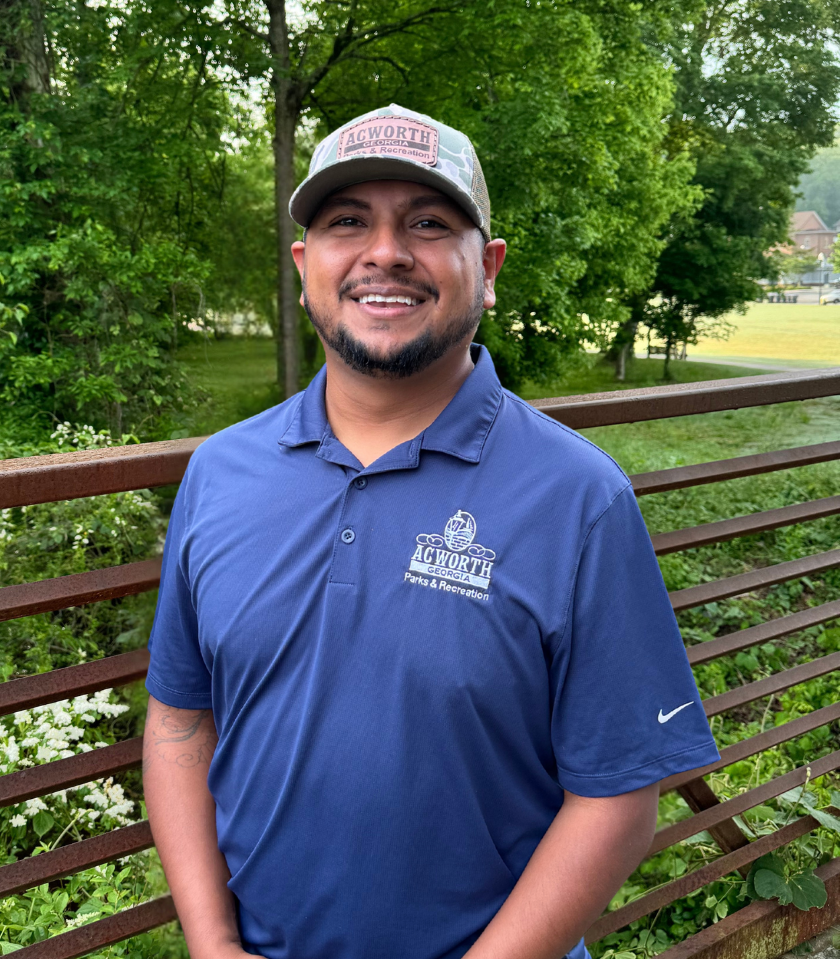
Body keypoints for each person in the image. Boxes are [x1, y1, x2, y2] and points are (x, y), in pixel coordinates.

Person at [142, 105, 720, 959]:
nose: (385, 252)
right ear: (305, 266)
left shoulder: (578, 497)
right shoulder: (219, 474)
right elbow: (179, 722)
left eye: (427, 222)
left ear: (485, 269)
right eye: (347, 222)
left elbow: (617, 799)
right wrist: (211, 942)